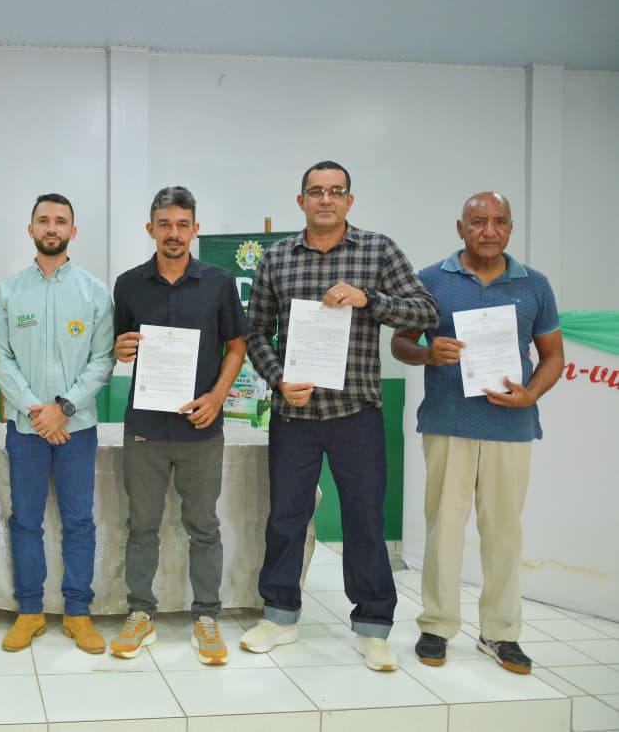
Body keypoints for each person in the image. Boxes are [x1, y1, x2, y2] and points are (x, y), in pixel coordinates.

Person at [241, 160, 439, 671]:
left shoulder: (377, 250)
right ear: (301, 200)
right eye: (315, 191)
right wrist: (278, 377)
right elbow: (256, 331)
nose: (325, 199)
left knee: (365, 521)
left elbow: (425, 311)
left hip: (357, 413)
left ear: (350, 200)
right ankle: (279, 615)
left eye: (336, 191)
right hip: (294, 414)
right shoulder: (277, 257)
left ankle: (372, 626)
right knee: (285, 519)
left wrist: (368, 298)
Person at [391, 192, 563, 675]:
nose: (490, 230)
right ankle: (437, 626)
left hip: (512, 426)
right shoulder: (430, 280)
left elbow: (553, 356)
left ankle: (501, 633)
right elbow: (401, 342)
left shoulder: (535, 285)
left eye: (500, 221)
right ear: (460, 227)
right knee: (443, 529)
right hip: (448, 423)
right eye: (479, 221)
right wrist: (429, 354)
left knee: (504, 533)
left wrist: (531, 394)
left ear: (511, 227)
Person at [109, 186, 247, 666]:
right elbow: (119, 345)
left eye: (182, 224)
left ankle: (205, 616)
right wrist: (120, 351)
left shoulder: (219, 282)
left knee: (203, 527)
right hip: (145, 426)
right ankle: (140, 613)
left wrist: (217, 397)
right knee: (141, 527)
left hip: (201, 427)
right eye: (164, 224)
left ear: (195, 228)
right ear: (150, 229)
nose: (173, 233)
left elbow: (236, 346)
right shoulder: (128, 284)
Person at [0, 193, 115, 654]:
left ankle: (78, 613)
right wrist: (34, 411)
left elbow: (102, 360)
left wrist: (63, 407)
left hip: (76, 429)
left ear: (72, 232)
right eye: (43, 220)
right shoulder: (7, 292)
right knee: (25, 521)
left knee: (78, 521)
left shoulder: (94, 292)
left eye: (60, 221)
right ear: (30, 230)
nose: (51, 227)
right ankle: (30, 611)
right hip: (25, 430)